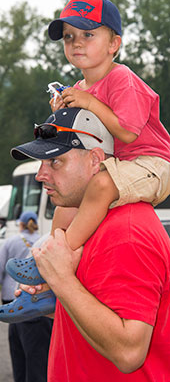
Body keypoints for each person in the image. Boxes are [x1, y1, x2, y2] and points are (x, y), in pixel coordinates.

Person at [1, 107, 170, 380]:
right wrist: (55, 297)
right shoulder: (87, 224)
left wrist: (63, 282)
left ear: (95, 160)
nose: (40, 175)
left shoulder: (126, 233)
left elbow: (130, 352)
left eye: (55, 162)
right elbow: (101, 318)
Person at [47, 0, 170, 251]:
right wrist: (60, 117)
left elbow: (127, 133)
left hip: (151, 163)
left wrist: (89, 103)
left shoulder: (121, 78)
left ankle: (62, 256)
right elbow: (82, 140)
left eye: (88, 34)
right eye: (69, 36)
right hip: (116, 163)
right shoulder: (79, 88)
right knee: (67, 201)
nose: (76, 43)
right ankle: (50, 250)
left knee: (101, 184)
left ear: (114, 43)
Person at [0, 211, 53, 382]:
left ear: (20, 223)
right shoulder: (44, 237)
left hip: (19, 301)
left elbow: (2, 268)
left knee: (23, 366)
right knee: (37, 365)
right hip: (34, 308)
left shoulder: (11, 241)